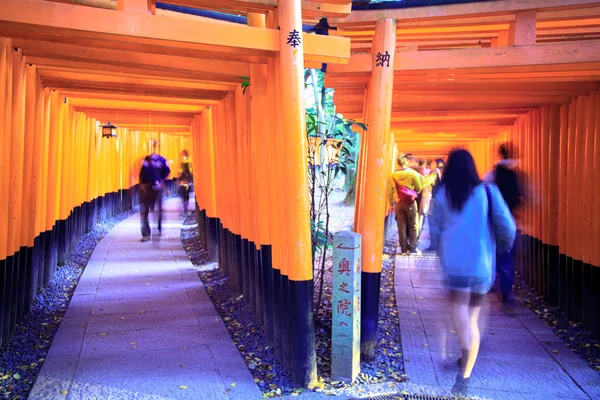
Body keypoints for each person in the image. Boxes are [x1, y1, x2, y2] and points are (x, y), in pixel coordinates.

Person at [429, 148, 515, 382]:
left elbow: (434, 230)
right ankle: (465, 374)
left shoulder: (442, 194)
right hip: (480, 266)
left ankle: (464, 355)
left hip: (454, 265)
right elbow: (507, 226)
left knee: (459, 315)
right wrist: (503, 246)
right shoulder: (488, 192)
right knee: (473, 318)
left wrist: (437, 250)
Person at [484, 143, 523, 307]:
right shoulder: (517, 175)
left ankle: (492, 282)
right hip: (511, 220)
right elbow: (523, 196)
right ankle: (506, 291)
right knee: (507, 254)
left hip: (493, 222)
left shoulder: (492, 174)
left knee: (493, 251)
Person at [388, 153, 423, 255]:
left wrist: (391, 203)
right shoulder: (412, 173)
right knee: (413, 225)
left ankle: (403, 249)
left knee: (401, 226)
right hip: (410, 202)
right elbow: (419, 188)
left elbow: (390, 191)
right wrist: (411, 193)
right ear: (406, 162)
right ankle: (412, 249)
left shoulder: (393, 175)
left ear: (398, 163)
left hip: (398, 202)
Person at [139, 140, 171, 242]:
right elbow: (142, 173)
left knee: (157, 210)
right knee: (144, 212)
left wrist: (161, 180)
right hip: (148, 189)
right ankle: (146, 234)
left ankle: (158, 229)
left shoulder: (160, 160)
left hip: (156, 188)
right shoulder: (147, 160)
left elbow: (167, 171)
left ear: (155, 147)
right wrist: (142, 184)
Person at [177, 150, 193, 215]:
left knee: (185, 195)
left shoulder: (185, 163)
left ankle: (185, 206)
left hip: (185, 181)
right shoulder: (188, 162)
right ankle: (185, 207)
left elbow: (189, 171)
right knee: (185, 195)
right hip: (185, 181)